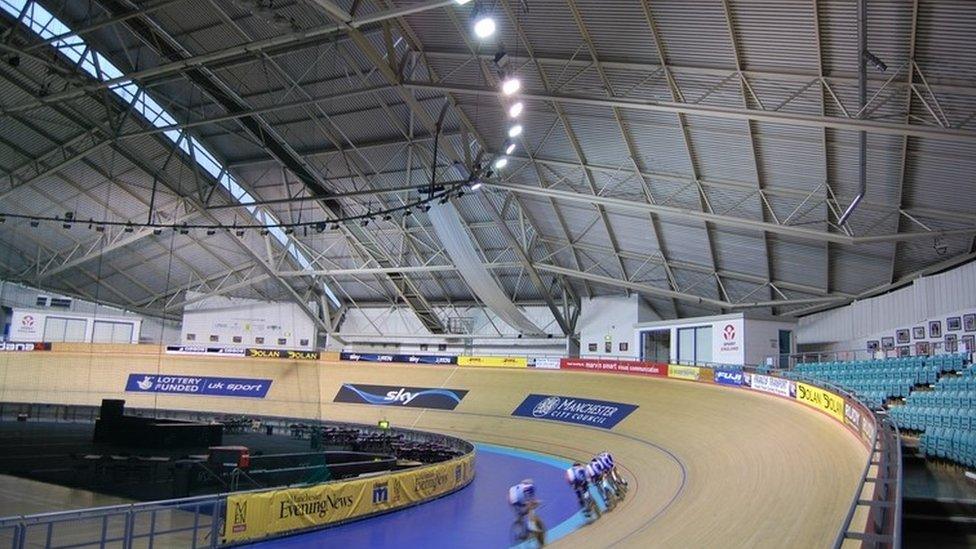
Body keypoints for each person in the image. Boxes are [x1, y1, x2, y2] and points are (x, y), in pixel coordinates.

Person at [508, 478, 545, 546]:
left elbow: (530, 499)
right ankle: (531, 526)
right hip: (515, 498)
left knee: (524, 511)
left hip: (512, 498)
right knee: (530, 507)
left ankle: (521, 522)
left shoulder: (522, 487)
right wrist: (536, 503)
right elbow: (531, 500)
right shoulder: (530, 487)